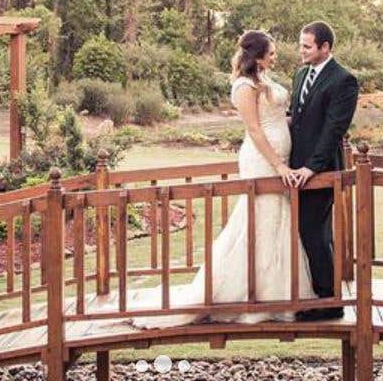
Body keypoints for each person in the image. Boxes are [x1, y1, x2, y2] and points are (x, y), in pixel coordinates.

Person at [128, 30, 317, 328]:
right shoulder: (243, 86)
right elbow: (255, 131)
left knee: (276, 221)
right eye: (271, 52)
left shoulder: (264, 80)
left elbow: (279, 118)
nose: (275, 56)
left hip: (280, 157)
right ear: (256, 55)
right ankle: (242, 294)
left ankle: (276, 294)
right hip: (262, 161)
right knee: (257, 221)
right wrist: (279, 165)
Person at [285, 21, 360, 321]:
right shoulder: (301, 74)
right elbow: (297, 118)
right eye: (301, 44)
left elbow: (333, 129)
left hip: (322, 169)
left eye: (307, 46)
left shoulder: (344, 80)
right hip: (296, 167)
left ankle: (330, 301)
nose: (301, 51)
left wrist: (311, 167)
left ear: (325, 47)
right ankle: (321, 294)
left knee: (313, 229)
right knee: (311, 231)